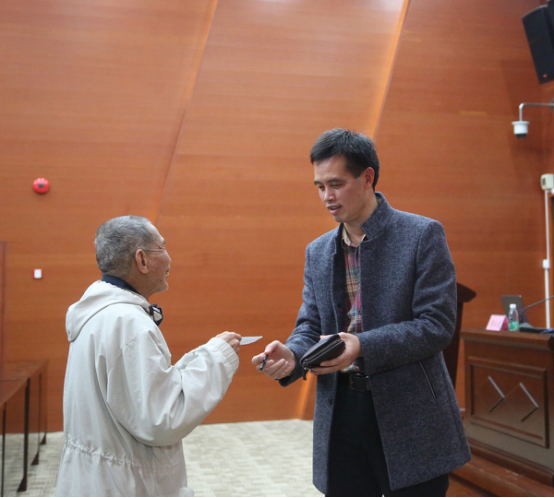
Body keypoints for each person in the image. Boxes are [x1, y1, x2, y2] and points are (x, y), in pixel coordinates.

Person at [253, 129, 471, 497]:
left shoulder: (421, 235)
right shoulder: (318, 251)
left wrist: (362, 345)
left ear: (367, 177)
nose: (327, 196)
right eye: (320, 186)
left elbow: (436, 325)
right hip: (341, 412)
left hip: (411, 412)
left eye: (336, 184)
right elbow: (310, 324)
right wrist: (292, 355)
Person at [56, 216, 241, 497]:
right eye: (162, 248)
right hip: (125, 484)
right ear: (142, 260)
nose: (170, 260)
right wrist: (217, 359)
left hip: (95, 478)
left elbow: (142, 391)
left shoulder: (98, 313)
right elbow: (161, 419)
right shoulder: (130, 324)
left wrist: (205, 354)